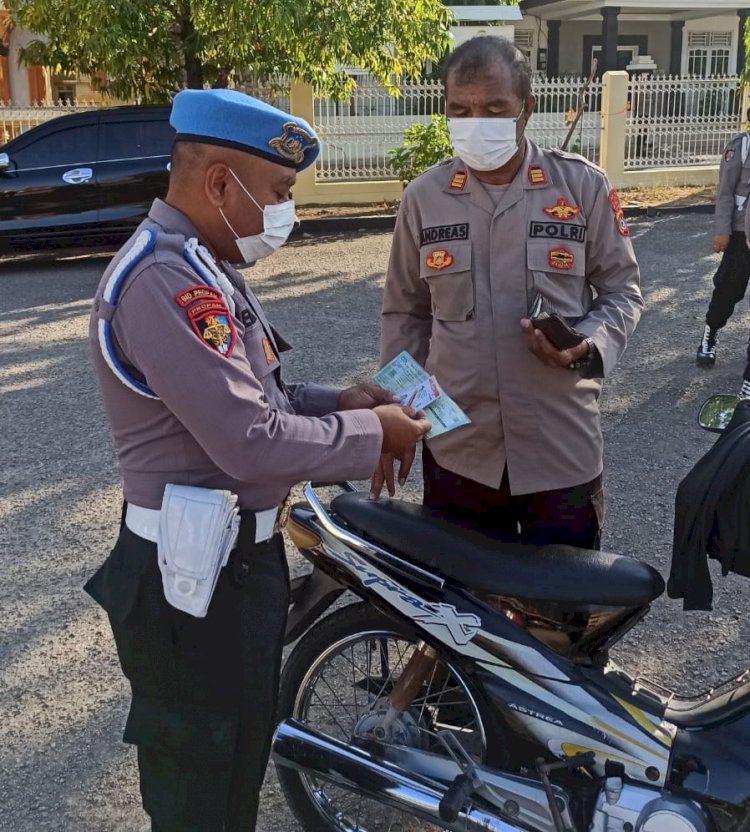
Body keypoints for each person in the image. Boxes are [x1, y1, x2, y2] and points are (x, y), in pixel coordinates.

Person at [84, 89, 430, 832]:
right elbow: (249, 443)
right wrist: (377, 434)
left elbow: (265, 399)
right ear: (218, 185)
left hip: (225, 569)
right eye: (277, 193)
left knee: (232, 767)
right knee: (201, 792)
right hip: (191, 585)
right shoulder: (163, 281)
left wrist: (349, 401)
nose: (284, 212)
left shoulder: (202, 265)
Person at [374, 36, 643, 550]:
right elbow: (404, 316)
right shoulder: (423, 199)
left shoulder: (580, 187)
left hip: (558, 452)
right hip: (458, 452)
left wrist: (586, 346)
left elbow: (621, 290)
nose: (476, 122)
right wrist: (399, 415)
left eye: (494, 108)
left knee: (560, 620)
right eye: (460, 109)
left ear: (526, 109)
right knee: (462, 618)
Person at [696, 113, 750, 379]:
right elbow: (726, 192)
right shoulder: (740, 148)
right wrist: (722, 231)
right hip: (742, 234)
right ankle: (710, 333)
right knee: (728, 288)